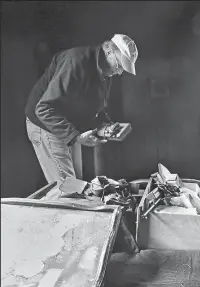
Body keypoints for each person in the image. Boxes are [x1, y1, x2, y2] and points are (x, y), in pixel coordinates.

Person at [25, 34, 138, 183]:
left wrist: (106, 126)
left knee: (77, 184)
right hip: (45, 124)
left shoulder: (105, 74)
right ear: (109, 51)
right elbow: (44, 108)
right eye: (120, 65)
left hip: (67, 124)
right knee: (67, 188)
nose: (120, 72)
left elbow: (94, 107)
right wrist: (76, 136)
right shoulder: (75, 62)